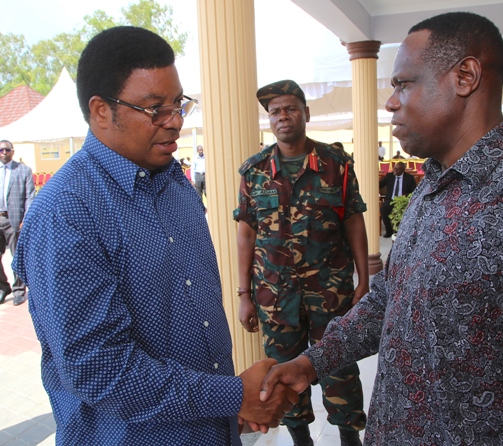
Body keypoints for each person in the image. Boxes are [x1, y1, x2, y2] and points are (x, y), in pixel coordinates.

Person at [259, 12, 503, 445]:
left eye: (403, 84)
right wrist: (311, 363)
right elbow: (390, 300)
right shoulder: (434, 186)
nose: (390, 102)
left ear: (465, 77)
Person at [11, 27, 297, 445]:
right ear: (101, 111)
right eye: (154, 109)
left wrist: (224, 404)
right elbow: (99, 369)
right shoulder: (67, 212)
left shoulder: (175, 183)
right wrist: (233, 395)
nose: (175, 121)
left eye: (178, 104)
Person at [234, 79, 369, 446]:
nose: (283, 116)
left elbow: (353, 220)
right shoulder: (254, 171)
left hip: (330, 291)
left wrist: (363, 280)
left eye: (290, 108)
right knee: (281, 370)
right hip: (275, 296)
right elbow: (246, 233)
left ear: (306, 113)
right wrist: (244, 294)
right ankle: (300, 439)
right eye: (275, 111)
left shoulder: (336, 164)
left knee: (339, 365)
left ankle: (349, 437)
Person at [0, 140, 34, 306]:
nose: (4, 153)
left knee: (17, 257)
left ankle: (19, 290)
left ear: (12, 151)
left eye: (7, 150)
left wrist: (25, 219)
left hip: (15, 220)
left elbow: (30, 197)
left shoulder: (23, 170)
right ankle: (3, 287)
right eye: (1, 150)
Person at [378, 161, 416, 238]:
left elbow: (414, 191)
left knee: (405, 211)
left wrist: (406, 195)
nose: (395, 171)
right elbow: (379, 185)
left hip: (403, 200)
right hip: (391, 200)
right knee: (383, 209)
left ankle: (399, 231)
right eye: (394, 169)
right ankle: (389, 231)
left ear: (403, 170)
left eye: (398, 170)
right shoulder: (389, 176)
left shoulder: (409, 178)